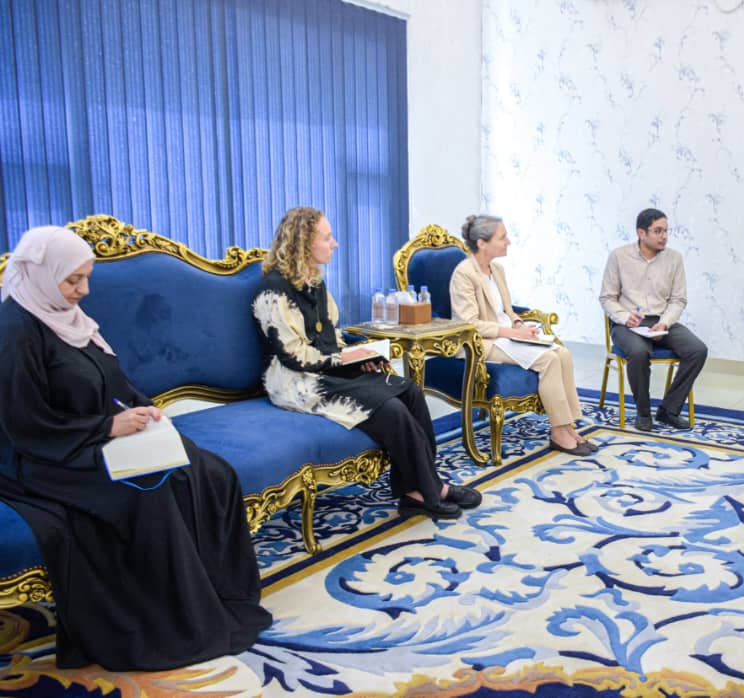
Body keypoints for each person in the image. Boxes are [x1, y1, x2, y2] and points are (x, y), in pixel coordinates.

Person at [0, 226, 272, 671]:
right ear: (42, 275)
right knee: (148, 492)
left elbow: (112, 380)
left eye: (87, 278)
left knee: (208, 470)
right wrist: (107, 427)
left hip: (95, 437)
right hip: (46, 456)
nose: (84, 291)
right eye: (73, 280)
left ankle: (216, 596)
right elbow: (25, 424)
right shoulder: (14, 332)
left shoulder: (68, 317)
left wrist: (143, 410)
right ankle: (169, 623)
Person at [252, 207, 480, 519]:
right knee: (392, 409)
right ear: (303, 243)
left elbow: (331, 336)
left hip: (328, 370)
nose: (335, 244)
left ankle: (421, 489)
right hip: (298, 383)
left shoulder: (314, 282)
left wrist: (359, 357)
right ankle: (428, 492)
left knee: (410, 391)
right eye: (327, 238)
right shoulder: (273, 290)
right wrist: (344, 359)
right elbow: (294, 356)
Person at [450, 215, 596, 456]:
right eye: (502, 237)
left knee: (563, 354)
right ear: (482, 243)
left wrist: (520, 324)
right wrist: (513, 331)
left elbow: (506, 310)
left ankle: (568, 427)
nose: (508, 241)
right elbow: (469, 323)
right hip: (481, 342)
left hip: (507, 336)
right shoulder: (464, 274)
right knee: (549, 359)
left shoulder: (497, 270)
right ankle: (558, 433)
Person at [599, 208, 707, 432]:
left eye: (666, 231)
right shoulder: (619, 256)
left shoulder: (674, 259)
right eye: (658, 231)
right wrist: (625, 317)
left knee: (697, 350)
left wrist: (665, 323)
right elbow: (607, 298)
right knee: (639, 352)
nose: (664, 236)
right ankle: (643, 412)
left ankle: (668, 410)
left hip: (661, 321)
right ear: (641, 233)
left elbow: (678, 300)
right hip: (627, 324)